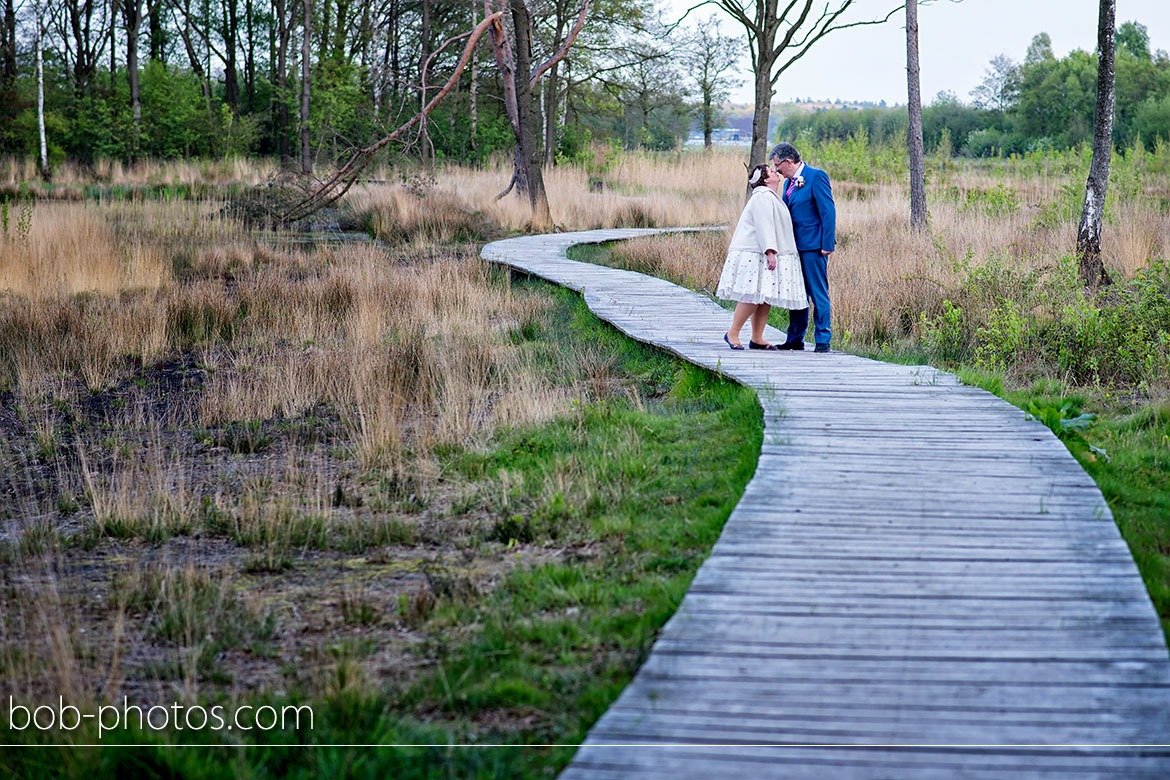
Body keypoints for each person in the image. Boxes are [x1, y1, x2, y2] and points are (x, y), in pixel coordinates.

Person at [717, 163, 806, 350]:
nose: (776, 172)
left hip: (765, 252)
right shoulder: (762, 197)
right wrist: (770, 251)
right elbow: (764, 225)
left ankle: (757, 337)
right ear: (766, 180)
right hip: (756, 252)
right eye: (772, 171)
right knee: (753, 294)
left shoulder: (771, 197)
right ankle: (733, 331)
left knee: (765, 296)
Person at [770, 142, 836, 353]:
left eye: (778, 166)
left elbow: (828, 211)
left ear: (788, 161)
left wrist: (827, 244)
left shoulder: (816, 177)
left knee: (818, 293)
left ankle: (823, 340)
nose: (777, 172)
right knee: (797, 293)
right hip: (793, 248)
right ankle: (795, 339)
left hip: (813, 247)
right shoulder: (789, 184)